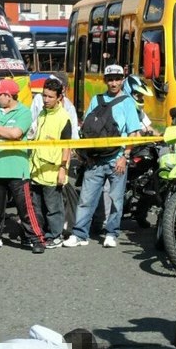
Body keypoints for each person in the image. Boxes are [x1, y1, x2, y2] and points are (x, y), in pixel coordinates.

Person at [62, 64, 140, 249]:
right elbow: (87, 130)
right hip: (95, 159)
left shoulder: (128, 102)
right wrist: (84, 153)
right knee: (86, 199)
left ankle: (111, 233)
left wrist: (125, 156)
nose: (113, 83)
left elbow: (134, 134)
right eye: (110, 79)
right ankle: (80, 234)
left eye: (117, 79)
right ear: (105, 80)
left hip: (117, 159)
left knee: (116, 199)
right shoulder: (96, 100)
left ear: (122, 79)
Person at [0, 79, 45, 254]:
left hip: (17, 168)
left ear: (8, 96)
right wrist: (4, 131)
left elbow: (16, 134)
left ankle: (36, 239)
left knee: (25, 208)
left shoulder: (24, 112)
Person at [30, 77, 73, 249]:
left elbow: (67, 147)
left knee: (53, 207)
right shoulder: (42, 113)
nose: (46, 100)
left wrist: (63, 169)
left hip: (52, 171)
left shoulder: (64, 118)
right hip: (36, 168)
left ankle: (55, 235)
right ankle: (41, 233)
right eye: (44, 96)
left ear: (59, 98)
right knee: (37, 206)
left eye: (49, 97)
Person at [29, 73, 79, 141]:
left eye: (54, 84)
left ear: (63, 89)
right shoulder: (38, 99)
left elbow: (74, 134)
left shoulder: (69, 108)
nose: (46, 100)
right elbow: (31, 122)